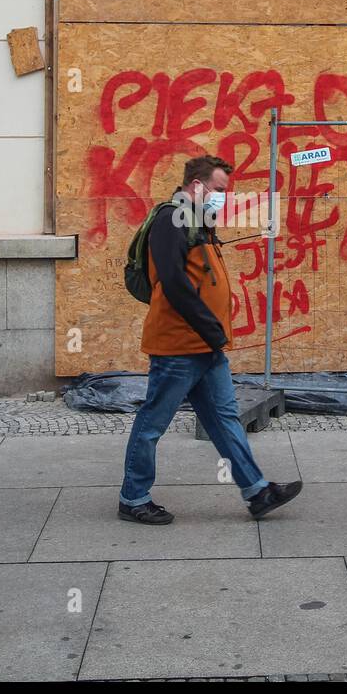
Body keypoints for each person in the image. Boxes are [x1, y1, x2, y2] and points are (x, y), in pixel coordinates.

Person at [118, 154, 303, 524]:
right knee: (153, 421)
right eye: (218, 190)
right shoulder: (171, 220)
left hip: (205, 347)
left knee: (224, 419)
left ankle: (257, 491)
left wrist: (211, 334)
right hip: (178, 347)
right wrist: (210, 326)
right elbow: (172, 283)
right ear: (197, 185)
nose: (222, 197)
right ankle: (132, 498)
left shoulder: (197, 221)